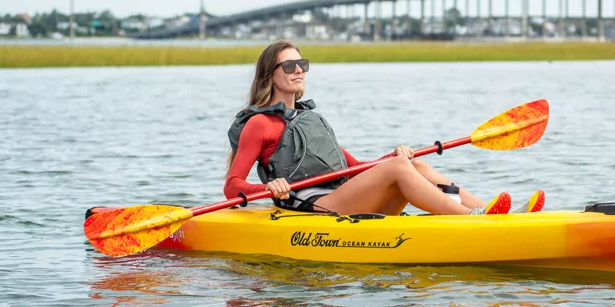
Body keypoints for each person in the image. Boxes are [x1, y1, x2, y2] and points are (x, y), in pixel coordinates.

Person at [223, 40, 542, 215]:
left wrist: (392, 157)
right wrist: (269, 187)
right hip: (314, 205)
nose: (298, 70)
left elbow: (354, 169)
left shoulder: (312, 119)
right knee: (398, 168)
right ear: (270, 75)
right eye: (289, 66)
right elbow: (232, 185)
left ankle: (490, 211)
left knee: (414, 164)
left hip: (343, 195)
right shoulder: (259, 124)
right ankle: (471, 219)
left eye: (302, 64)